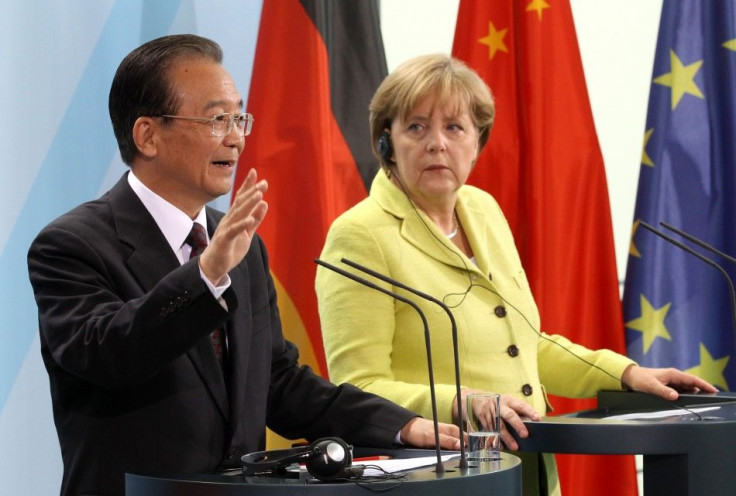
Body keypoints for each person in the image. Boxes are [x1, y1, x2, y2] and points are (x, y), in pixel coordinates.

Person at [27, 35, 461, 496]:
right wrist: (204, 276)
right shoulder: (71, 245)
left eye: (239, 118)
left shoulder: (240, 245)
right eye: (217, 119)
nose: (236, 137)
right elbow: (109, 354)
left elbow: (278, 382)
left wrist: (401, 426)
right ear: (147, 135)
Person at [315, 53, 717, 496]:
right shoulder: (360, 234)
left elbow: (525, 346)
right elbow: (357, 388)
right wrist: (463, 402)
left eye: (454, 127)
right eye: (416, 126)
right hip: (435, 478)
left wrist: (626, 374)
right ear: (386, 141)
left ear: (477, 142)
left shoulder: (483, 211)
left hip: (528, 466)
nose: (436, 143)